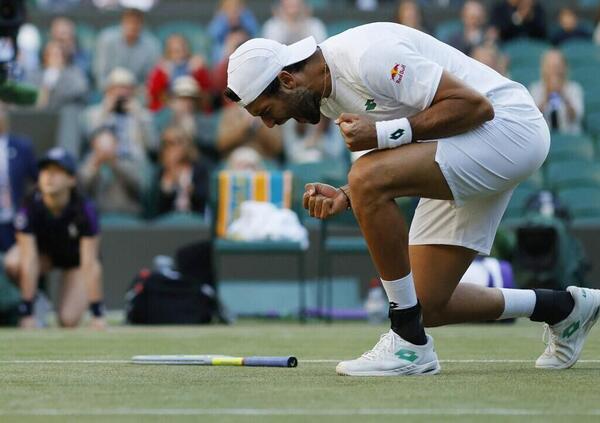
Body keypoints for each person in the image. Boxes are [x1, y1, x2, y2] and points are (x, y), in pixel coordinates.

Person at [224, 23, 600, 376]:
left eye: (267, 112)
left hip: (509, 130)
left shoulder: (367, 58)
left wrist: (381, 139)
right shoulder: (325, 96)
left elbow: (475, 108)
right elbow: (393, 161)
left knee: (367, 180)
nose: (270, 125)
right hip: (462, 142)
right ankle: (564, 308)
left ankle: (407, 340)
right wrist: (348, 194)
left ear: (287, 80)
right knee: (427, 302)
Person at [3, 148, 105, 329]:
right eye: (45, 171)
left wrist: (97, 313)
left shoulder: (85, 209)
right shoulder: (29, 204)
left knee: (68, 320)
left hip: (76, 262)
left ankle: (64, 304)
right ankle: (35, 301)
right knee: (13, 262)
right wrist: (26, 312)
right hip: (45, 257)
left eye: (58, 171)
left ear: (71, 179)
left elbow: (90, 262)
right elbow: (29, 259)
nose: (49, 176)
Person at [82, 67, 158, 160]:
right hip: (104, 161)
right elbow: (86, 142)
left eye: (127, 88)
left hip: (134, 162)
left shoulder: (143, 114)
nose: (122, 93)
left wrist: (139, 115)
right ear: (108, 90)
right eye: (118, 88)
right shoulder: (93, 112)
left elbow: (153, 146)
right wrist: (105, 113)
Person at [79, 126, 144, 215]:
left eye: (109, 144)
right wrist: (93, 167)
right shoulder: (88, 166)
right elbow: (80, 190)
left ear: (116, 145)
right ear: (93, 146)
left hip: (128, 217)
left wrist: (115, 164)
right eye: (101, 145)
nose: (105, 150)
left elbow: (138, 187)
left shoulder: (129, 163)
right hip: (99, 217)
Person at [94, 7, 160, 89]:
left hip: (136, 92)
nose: (132, 26)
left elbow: (150, 78)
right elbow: (100, 74)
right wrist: (112, 89)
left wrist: (135, 91)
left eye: (136, 22)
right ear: (122, 22)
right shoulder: (106, 39)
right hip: (110, 89)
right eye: (129, 22)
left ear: (142, 25)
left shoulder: (152, 44)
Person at [0, 106, 37, 252]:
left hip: (13, 221)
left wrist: (28, 209)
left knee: (16, 264)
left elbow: (38, 180)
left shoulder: (21, 146)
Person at [153, 126, 210, 216]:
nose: (168, 148)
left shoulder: (199, 169)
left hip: (195, 222)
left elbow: (203, 198)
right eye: (165, 144)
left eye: (172, 143)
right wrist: (168, 179)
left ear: (185, 145)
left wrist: (189, 189)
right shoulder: (160, 172)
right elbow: (156, 208)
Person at [146, 34, 212, 112]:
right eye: (176, 51)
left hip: (194, 108)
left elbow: (207, 94)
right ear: (169, 53)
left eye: (183, 50)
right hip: (168, 109)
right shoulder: (161, 70)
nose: (180, 55)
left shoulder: (197, 67)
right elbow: (154, 95)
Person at [529, 50, 584, 135]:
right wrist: (546, 95)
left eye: (557, 66)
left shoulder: (574, 88)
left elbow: (576, 116)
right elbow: (533, 118)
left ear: (564, 67)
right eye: (550, 66)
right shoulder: (535, 88)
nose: (554, 70)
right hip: (545, 137)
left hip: (569, 136)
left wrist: (563, 94)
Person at [30, 40, 89, 110]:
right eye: (49, 54)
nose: (53, 58)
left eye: (57, 55)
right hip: (40, 113)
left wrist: (53, 90)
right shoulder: (36, 74)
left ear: (64, 57)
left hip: (65, 112)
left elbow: (81, 89)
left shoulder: (74, 72)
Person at [262, 0, 327, 45]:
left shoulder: (315, 24)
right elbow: (272, 51)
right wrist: (288, 24)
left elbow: (320, 49)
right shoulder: (272, 25)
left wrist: (302, 25)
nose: (293, 2)